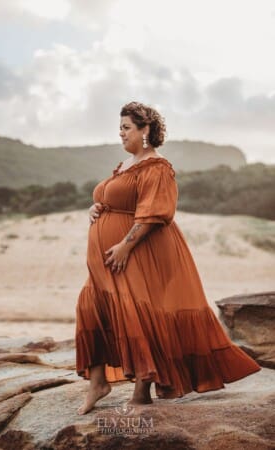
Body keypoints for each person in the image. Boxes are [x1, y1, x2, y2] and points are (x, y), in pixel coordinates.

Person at [75, 101, 261, 415]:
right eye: (119, 127)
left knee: (139, 314)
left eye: (126, 128)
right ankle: (98, 383)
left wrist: (125, 246)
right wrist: (97, 207)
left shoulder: (157, 167)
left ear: (145, 129)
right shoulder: (125, 165)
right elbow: (111, 198)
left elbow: (155, 212)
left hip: (140, 252)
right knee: (90, 306)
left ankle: (141, 393)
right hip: (106, 261)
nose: (121, 134)